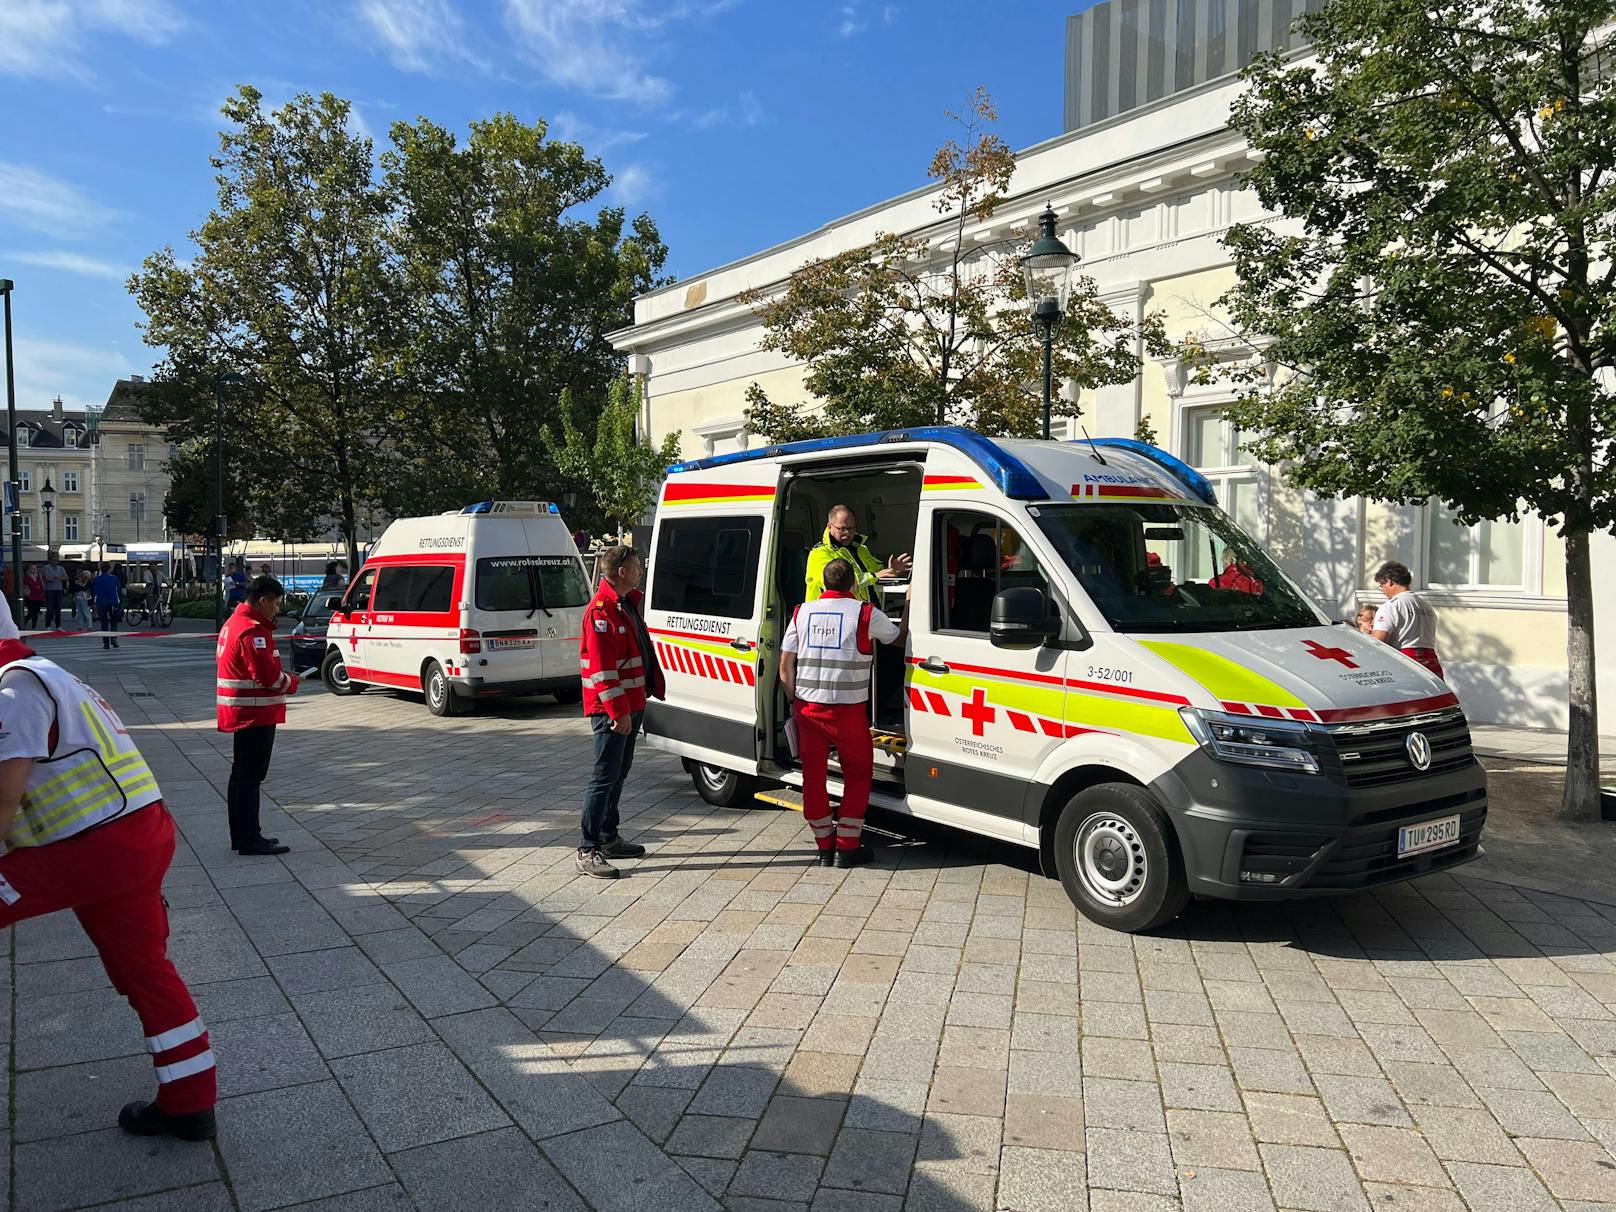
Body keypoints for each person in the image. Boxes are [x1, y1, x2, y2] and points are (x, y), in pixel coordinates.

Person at [0, 604, 217, 1141]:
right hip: (134, 835)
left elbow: (2, 800)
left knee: (142, 969)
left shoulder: (14, 690)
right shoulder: (45, 673)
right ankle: (189, 1103)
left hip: (92, 847)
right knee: (143, 970)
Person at [782, 558, 907, 867]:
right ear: (853, 583)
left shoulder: (802, 612)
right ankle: (847, 846)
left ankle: (824, 846)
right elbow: (900, 639)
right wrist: (908, 603)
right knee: (859, 774)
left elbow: (786, 666)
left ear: (824, 584)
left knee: (813, 776)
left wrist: (794, 700)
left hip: (808, 710)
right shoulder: (865, 613)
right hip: (848, 713)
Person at [576, 545, 665, 879]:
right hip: (614, 709)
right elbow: (602, 670)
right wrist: (618, 711)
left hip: (631, 704)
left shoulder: (625, 604)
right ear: (622, 572)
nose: (640, 570)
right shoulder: (601, 611)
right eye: (637, 566)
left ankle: (608, 837)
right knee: (603, 778)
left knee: (618, 773)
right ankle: (588, 848)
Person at [217, 576, 299, 856]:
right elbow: (267, 677)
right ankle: (251, 838)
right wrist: (292, 682)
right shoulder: (253, 632)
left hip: (242, 710)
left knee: (240, 774)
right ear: (263, 600)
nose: (277, 609)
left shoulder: (233, 623)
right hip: (255, 712)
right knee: (251, 777)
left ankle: (240, 835)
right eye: (275, 604)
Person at [805, 505, 911, 604]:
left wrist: (891, 570)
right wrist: (874, 576)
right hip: (834, 618)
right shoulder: (819, 554)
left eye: (851, 528)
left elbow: (878, 573)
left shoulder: (861, 549)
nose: (847, 533)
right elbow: (837, 583)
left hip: (865, 613)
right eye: (842, 529)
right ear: (829, 527)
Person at [1370, 560, 1444, 679]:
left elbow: (1377, 642)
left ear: (1389, 581)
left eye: (1381, 586)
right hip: (1431, 663)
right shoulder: (1426, 606)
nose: (1382, 590)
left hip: (1406, 663)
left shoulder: (1391, 607)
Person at [90, 563, 122, 649]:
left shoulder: (96, 579)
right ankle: (114, 639)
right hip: (113, 602)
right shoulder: (114, 578)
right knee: (113, 622)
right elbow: (118, 589)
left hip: (101, 602)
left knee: (104, 622)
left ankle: (106, 643)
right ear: (109, 569)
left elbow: (94, 591)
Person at [41, 550, 67, 629]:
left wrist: (55, 578)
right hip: (49, 590)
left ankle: (58, 626)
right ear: (50, 560)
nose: (55, 561)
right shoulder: (46, 567)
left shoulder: (61, 568)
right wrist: (59, 578)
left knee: (58, 609)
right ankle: (48, 625)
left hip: (59, 590)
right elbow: (46, 578)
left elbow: (66, 577)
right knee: (49, 609)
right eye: (53, 559)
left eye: (56, 560)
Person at [22, 565, 44, 630]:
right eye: (32, 568)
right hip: (30, 597)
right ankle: (22, 623)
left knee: (36, 613)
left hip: (38, 597)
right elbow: (25, 586)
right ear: (29, 569)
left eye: (35, 568)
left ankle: (34, 627)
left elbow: (41, 585)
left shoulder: (38, 577)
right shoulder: (26, 577)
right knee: (31, 613)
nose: (34, 570)